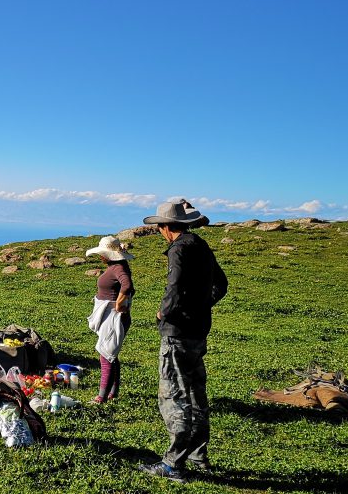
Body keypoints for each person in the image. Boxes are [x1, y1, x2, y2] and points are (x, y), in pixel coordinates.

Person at [139, 200, 228, 483]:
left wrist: (164, 312)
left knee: (174, 394)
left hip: (177, 333)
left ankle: (173, 463)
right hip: (199, 331)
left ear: (166, 227)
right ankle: (198, 456)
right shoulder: (200, 245)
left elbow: (174, 287)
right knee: (195, 394)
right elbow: (221, 284)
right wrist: (201, 307)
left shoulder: (178, 248)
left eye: (160, 229)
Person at [85, 235, 135, 404]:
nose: (101, 257)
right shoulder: (117, 265)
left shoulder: (117, 268)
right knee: (111, 354)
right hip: (112, 314)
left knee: (105, 355)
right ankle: (113, 392)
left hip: (114, 316)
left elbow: (127, 285)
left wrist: (120, 302)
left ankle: (101, 397)